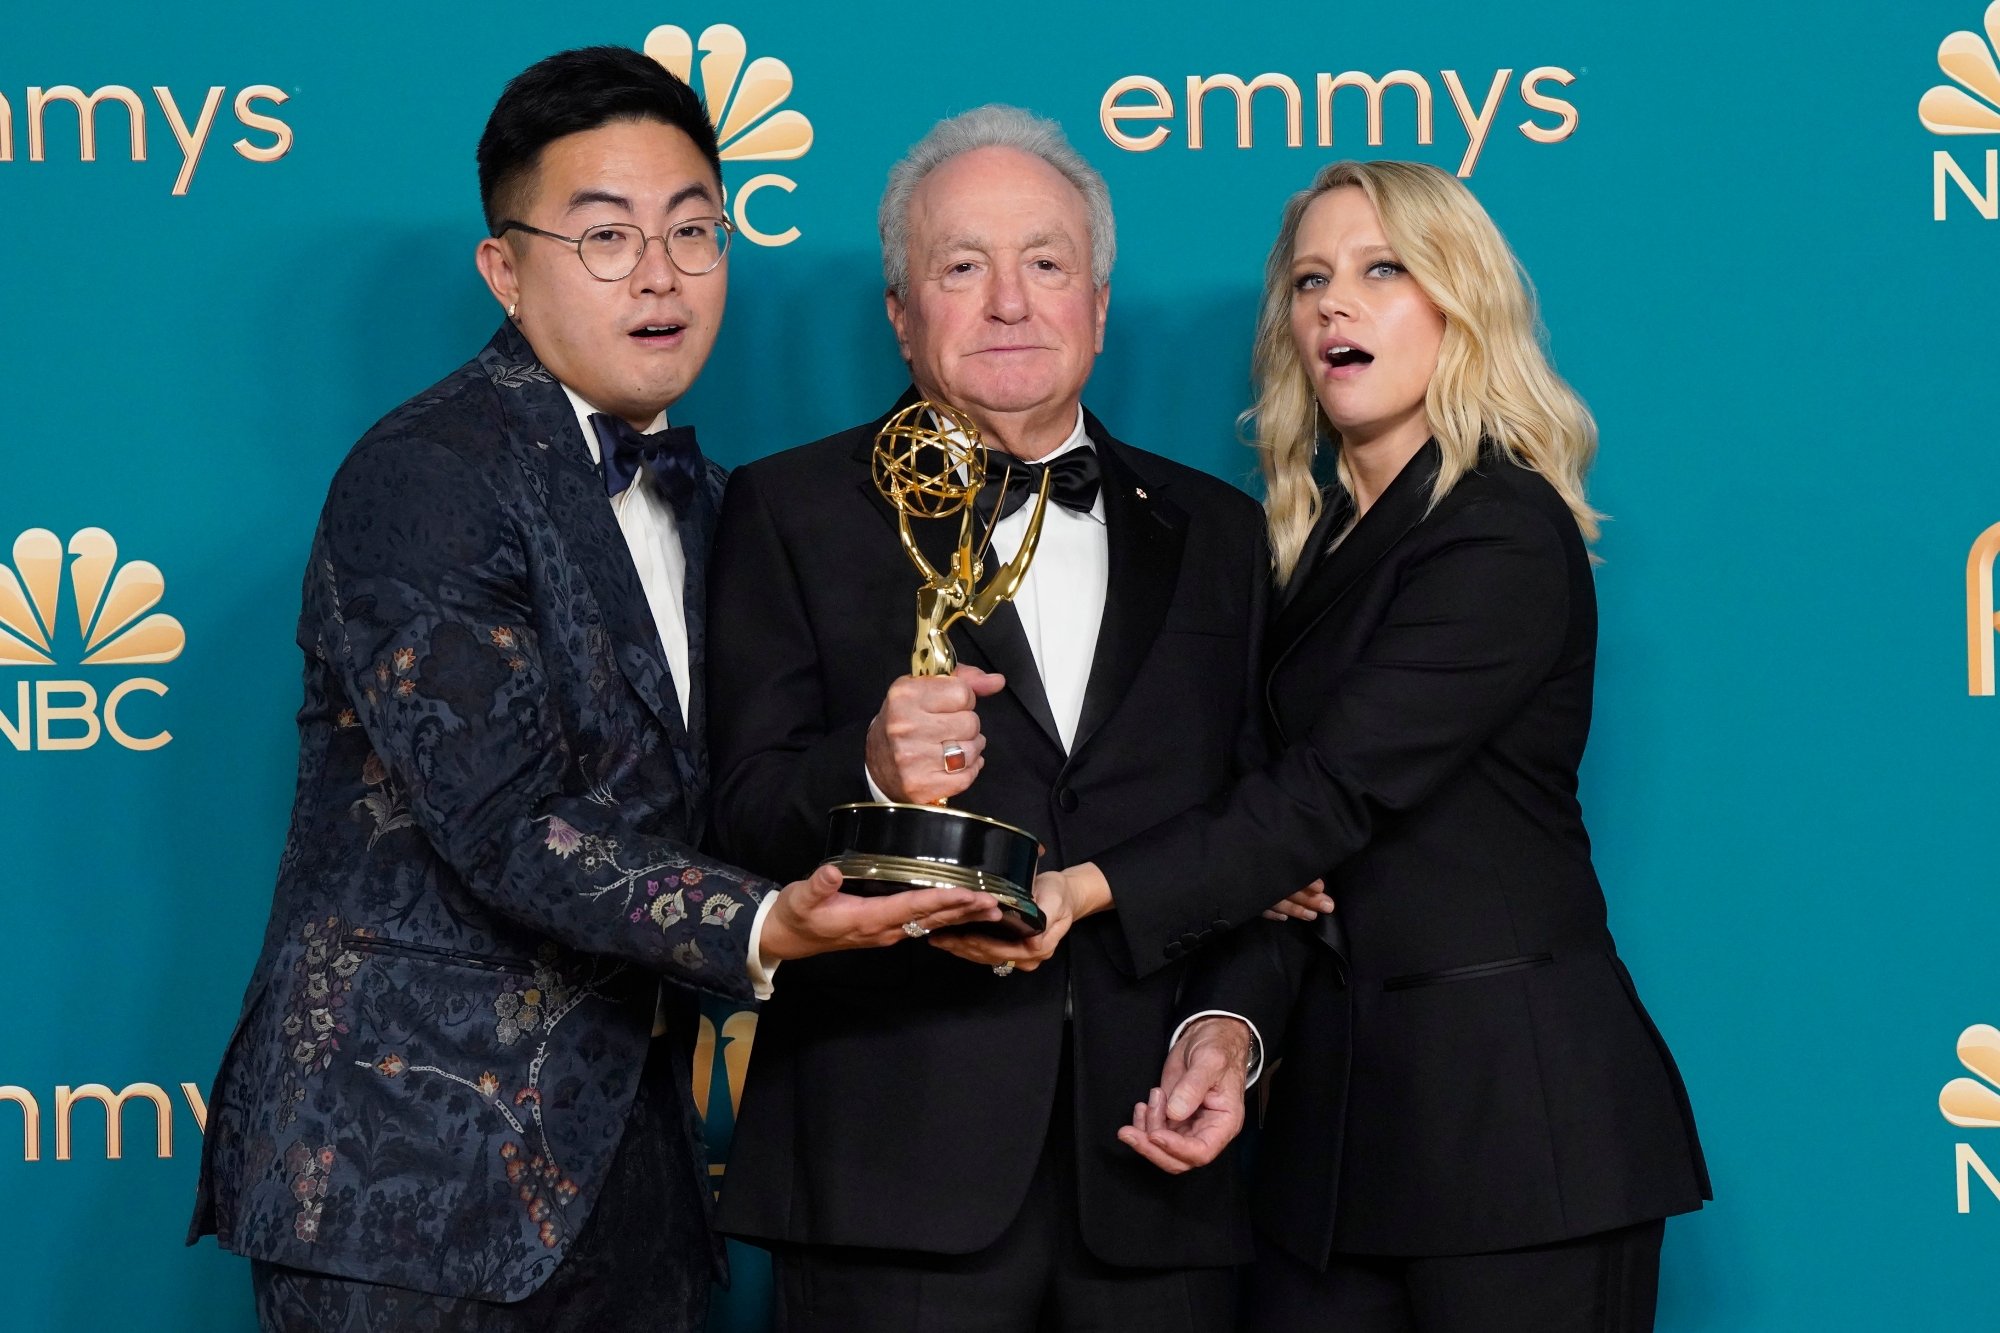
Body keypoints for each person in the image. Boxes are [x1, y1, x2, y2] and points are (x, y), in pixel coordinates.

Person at [186, 46, 996, 1333]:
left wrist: (874, 778)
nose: (661, 273)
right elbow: (505, 822)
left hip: (635, 1183)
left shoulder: (723, 506)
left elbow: (730, 788)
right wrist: (765, 925)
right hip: (409, 1186)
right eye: (605, 237)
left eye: (692, 229)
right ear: (504, 270)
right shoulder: (426, 476)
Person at [1007, 160, 1711, 1331]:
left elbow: (1324, 792)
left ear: (1459, 303)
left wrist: (1084, 885)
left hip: (1515, 1125)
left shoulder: (1500, 531)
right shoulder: (1310, 544)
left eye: (1382, 270)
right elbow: (1278, 808)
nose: (1334, 303)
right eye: (1310, 279)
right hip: (1332, 1135)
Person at [705, 106, 1272, 1332]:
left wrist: (1229, 1030)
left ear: (1101, 303)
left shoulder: (1221, 534)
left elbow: (1265, 833)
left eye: (1046, 263)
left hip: (1161, 1174)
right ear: (901, 313)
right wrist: (861, 762)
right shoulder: (787, 509)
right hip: (887, 1173)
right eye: (963, 267)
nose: (1009, 301)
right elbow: (735, 815)